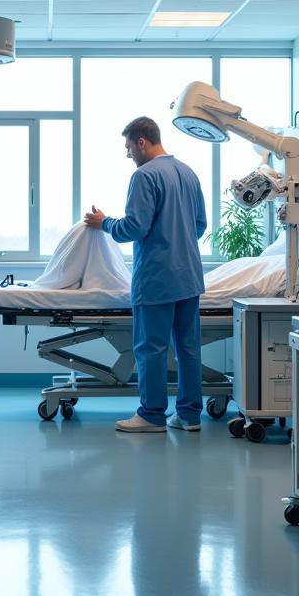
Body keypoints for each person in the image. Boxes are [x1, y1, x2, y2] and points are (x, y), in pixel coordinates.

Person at [84, 117, 206, 433]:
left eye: (128, 147)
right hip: (189, 276)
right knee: (188, 348)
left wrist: (104, 222)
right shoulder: (188, 173)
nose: (128, 155)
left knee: (151, 349)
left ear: (141, 141)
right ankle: (190, 416)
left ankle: (152, 416)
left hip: (158, 278)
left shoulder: (144, 176)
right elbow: (200, 225)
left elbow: (133, 228)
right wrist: (178, 241)